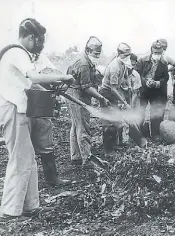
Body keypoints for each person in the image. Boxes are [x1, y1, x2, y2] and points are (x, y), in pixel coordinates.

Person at [0, 18, 74, 221]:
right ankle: (9, 210)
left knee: (28, 158)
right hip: (13, 109)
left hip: (21, 109)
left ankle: (30, 206)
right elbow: (34, 77)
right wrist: (63, 77)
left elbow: (30, 84)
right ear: (31, 37)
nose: (39, 45)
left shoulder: (20, 53)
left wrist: (52, 88)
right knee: (19, 159)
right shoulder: (16, 52)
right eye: (39, 40)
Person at [66, 36, 111, 169]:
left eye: (98, 54)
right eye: (95, 54)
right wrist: (101, 98)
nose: (97, 56)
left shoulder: (87, 61)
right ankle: (87, 159)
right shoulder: (84, 63)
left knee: (76, 126)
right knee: (83, 127)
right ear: (87, 50)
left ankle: (76, 157)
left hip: (74, 92)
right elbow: (86, 87)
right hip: (77, 94)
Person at [32, 54, 71, 187]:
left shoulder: (42, 60)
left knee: (46, 142)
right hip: (26, 107)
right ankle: (30, 181)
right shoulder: (23, 62)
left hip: (42, 107)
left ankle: (52, 177)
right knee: (26, 147)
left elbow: (54, 79)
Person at [99, 43, 145, 155]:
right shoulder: (114, 67)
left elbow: (126, 77)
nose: (127, 57)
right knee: (110, 121)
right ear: (119, 54)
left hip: (114, 93)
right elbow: (113, 89)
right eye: (125, 55)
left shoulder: (124, 64)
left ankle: (114, 145)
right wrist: (124, 102)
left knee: (117, 120)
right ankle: (108, 150)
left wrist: (129, 88)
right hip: (106, 93)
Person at [135, 40, 169, 139]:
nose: (157, 55)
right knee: (141, 111)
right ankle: (140, 133)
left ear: (162, 52)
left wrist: (157, 83)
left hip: (156, 90)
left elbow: (166, 77)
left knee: (156, 112)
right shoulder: (142, 60)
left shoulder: (164, 63)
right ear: (151, 51)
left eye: (159, 53)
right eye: (155, 52)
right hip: (143, 90)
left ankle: (155, 134)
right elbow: (136, 74)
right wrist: (145, 81)